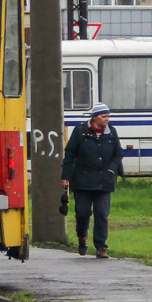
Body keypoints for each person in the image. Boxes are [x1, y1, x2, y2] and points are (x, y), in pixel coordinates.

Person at [60, 102, 123, 258]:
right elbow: (69, 154)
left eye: (108, 116)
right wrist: (66, 177)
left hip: (104, 181)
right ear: (94, 117)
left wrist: (111, 169)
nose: (107, 119)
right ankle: (82, 238)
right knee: (82, 213)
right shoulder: (80, 131)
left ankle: (101, 247)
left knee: (101, 214)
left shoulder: (111, 132)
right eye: (104, 116)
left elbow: (118, 154)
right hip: (82, 181)